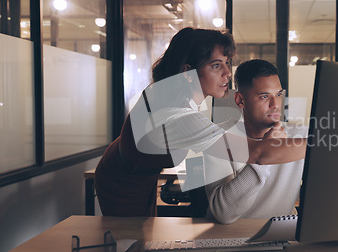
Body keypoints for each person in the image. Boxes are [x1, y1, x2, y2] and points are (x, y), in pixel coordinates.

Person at [95, 28, 307, 217]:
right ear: (188, 72)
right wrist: (325, 142)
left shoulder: (175, 100)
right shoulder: (177, 115)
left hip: (138, 176)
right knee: (129, 243)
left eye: (227, 63)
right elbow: (258, 153)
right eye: (216, 65)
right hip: (121, 184)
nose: (227, 73)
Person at [205, 59, 308, 224]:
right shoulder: (217, 138)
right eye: (264, 96)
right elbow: (223, 213)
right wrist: (265, 153)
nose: (275, 105)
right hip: (229, 239)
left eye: (278, 95)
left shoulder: (301, 135)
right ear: (240, 100)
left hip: (280, 237)